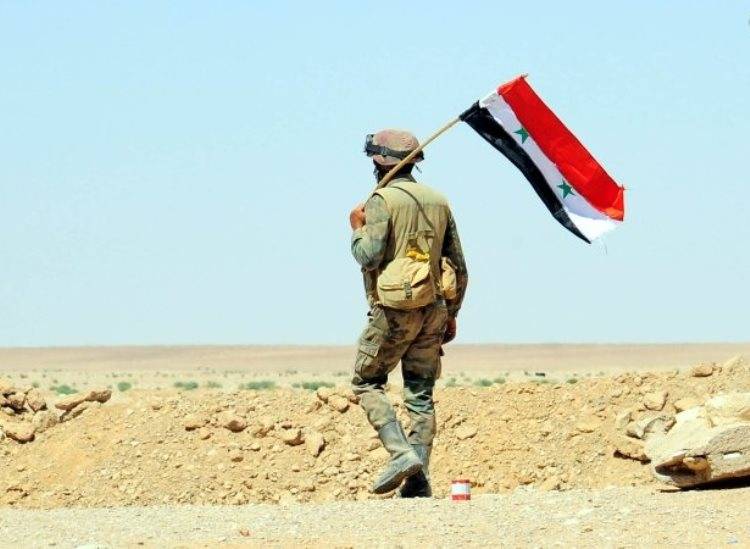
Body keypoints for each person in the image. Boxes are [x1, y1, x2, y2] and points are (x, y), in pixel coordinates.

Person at [349, 129, 468, 497]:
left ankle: (401, 455)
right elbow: (459, 265)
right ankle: (417, 483)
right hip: (434, 308)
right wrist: (451, 313)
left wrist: (356, 228)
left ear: (378, 162)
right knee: (420, 393)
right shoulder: (438, 200)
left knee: (366, 381)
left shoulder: (381, 201)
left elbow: (368, 256)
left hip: (394, 312)